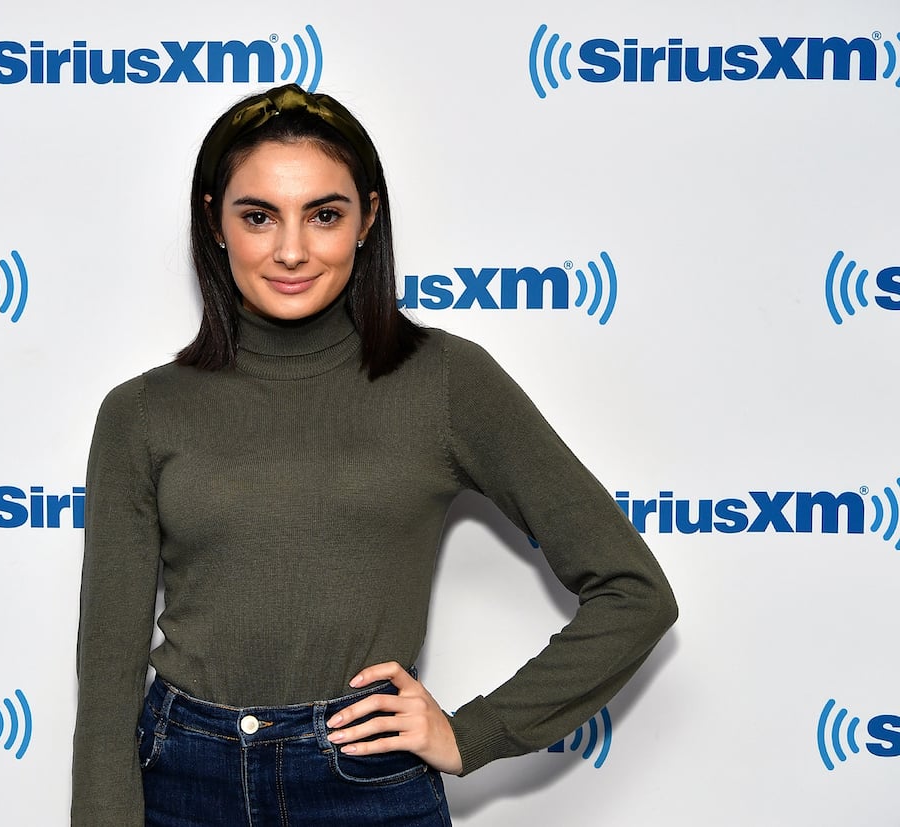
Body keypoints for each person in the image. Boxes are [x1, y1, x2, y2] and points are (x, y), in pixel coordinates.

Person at [72, 83, 677, 826]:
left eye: (324, 214)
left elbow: (635, 591)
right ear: (215, 223)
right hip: (183, 778)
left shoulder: (447, 381)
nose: (291, 249)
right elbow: (106, 698)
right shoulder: (141, 412)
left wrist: (475, 730)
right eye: (258, 215)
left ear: (368, 219)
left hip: (366, 783)